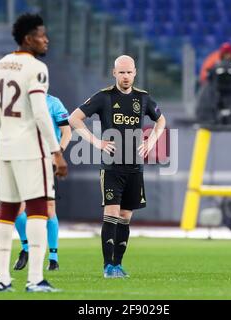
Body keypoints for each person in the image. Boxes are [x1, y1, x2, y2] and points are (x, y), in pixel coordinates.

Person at [0, 13, 68, 293]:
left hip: (6, 146)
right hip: (32, 150)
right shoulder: (36, 68)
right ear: (27, 39)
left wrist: (8, 131)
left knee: (7, 210)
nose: (46, 39)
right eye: (41, 35)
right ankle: (35, 279)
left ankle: (2, 279)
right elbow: (40, 113)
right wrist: (56, 151)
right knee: (37, 209)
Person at [69, 55, 166, 278]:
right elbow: (75, 118)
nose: (125, 76)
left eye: (129, 72)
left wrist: (151, 141)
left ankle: (118, 265)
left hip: (135, 167)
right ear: (114, 73)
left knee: (125, 216)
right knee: (111, 213)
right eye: (121, 72)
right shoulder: (104, 97)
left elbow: (161, 120)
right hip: (112, 167)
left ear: (135, 73)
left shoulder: (143, 98)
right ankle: (107, 266)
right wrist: (97, 142)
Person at [13, 94, 72, 271]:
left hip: (46, 161)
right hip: (23, 160)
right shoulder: (19, 102)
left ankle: (53, 258)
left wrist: (58, 154)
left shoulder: (53, 102)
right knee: (17, 208)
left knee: (49, 209)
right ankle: (26, 248)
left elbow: (66, 132)